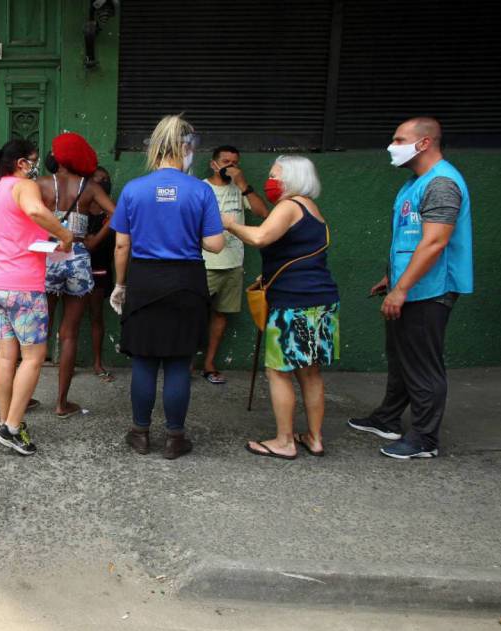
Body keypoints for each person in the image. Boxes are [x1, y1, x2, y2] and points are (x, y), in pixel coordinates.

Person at [347, 117, 473, 460]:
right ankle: (388, 418)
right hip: (411, 285)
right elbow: (410, 238)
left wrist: (401, 289)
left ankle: (424, 439)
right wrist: (393, 278)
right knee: (402, 357)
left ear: (424, 143)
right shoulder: (415, 183)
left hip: (430, 290)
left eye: (399, 139)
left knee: (422, 364)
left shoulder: (442, 183)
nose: (392, 145)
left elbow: (434, 243)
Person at [110, 114, 224, 460]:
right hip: (186, 281)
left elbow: (121, 246)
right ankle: (176, 437)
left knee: (144, 362)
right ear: (186, 148)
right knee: (178, 363)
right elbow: (216, 245)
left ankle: (140, 433)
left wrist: (120, 284)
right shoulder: (201, 190)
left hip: (144, 280)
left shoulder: (133, 189)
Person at [223, 156, 339, 459]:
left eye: (275, 176)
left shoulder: (289, 207)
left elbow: (261, 237)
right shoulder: (312, 209)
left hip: (293, 303)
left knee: (278, 371)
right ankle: (314, 437)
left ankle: (285, 441)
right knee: (310, 372)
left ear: (292, 179)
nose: (270, 181)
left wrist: (230, 224)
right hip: (320, 299)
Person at [0, 139, 73, 456]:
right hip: (22, 286)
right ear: (21, 163)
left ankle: (8, 422)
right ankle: (10, 427)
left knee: (7, 356)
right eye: (33, 160)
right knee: (33, 357)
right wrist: (64, 234)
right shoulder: (24, 186)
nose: (37, 166)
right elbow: (35, 211)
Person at [36, 133, 116, 417]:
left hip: (48, 255)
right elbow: (117, 213)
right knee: (68, 334)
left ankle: (26, 395)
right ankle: (61, 403)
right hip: (79, 256)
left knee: (37, 331)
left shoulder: (41, 185)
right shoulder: (90, 187)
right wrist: (94, 240)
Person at [199, 145, 269, 385]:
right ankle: (183, 364)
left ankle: (208, 363)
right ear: (213, 164)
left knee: (221, 315)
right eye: (226, 161)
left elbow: (263, 213)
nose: (231, 166)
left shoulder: (241, 190)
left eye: (235, 162)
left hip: (233, 264)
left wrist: (243, 185)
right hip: (204, 264)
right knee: (193, 314)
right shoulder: (201, 189)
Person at [86, 166, 115, 382]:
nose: (103, 182)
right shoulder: (80, 208)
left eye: (106, 179)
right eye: (98, 179)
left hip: (101, 268)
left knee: (97, 315)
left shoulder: (110, 212)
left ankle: (97, 362)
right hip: (77, 268)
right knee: (72, 316)